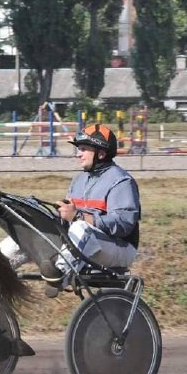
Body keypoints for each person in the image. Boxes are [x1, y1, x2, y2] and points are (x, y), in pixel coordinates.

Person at [52, 123, 141, 288]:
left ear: (101, 153)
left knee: (80, 228)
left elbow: (124, 225)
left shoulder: (121, 181)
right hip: (88, 243)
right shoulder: (78, 180)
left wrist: (78, 216)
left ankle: (58, 275)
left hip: (121, 248)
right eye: (79, 149)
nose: (79, 154)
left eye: (84, 149)